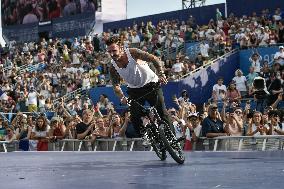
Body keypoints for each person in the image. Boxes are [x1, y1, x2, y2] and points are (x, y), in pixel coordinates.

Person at [106, 36, 174, 137]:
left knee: (161, 112)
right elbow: (116, 85)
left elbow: (153, 59)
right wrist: (121, 97)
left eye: (114, 51)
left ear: (120, 47)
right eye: (109, 52)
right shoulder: (112, 67)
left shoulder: (132, 53)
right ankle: (146, 136)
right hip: (135, 91)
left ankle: (172, 137)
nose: (112, 54)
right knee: (134, 117)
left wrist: (161, 73)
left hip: (151, 84)